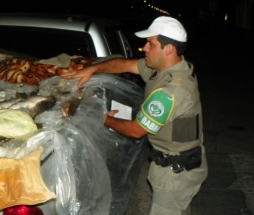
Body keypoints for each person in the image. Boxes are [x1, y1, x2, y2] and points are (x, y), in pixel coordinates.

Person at [62, 16, 208, 215]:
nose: (144, 48)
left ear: (168, 49)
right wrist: (93, 69)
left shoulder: (172, 90)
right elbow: (123, 65)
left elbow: (135, 130)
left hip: (175, 173)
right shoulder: (169, 68)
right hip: (178, 166)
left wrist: (101, 117)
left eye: (151, 43)